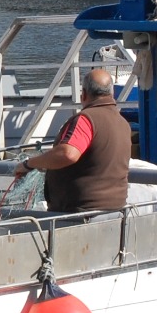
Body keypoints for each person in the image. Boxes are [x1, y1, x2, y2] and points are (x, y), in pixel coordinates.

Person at [14, 67, 130, 213]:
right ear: (112, 93)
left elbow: (68, 154)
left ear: (84, 95)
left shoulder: (86, 119)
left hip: (80, 214)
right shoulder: (122, 123)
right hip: (115, 210)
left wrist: (29, 164)